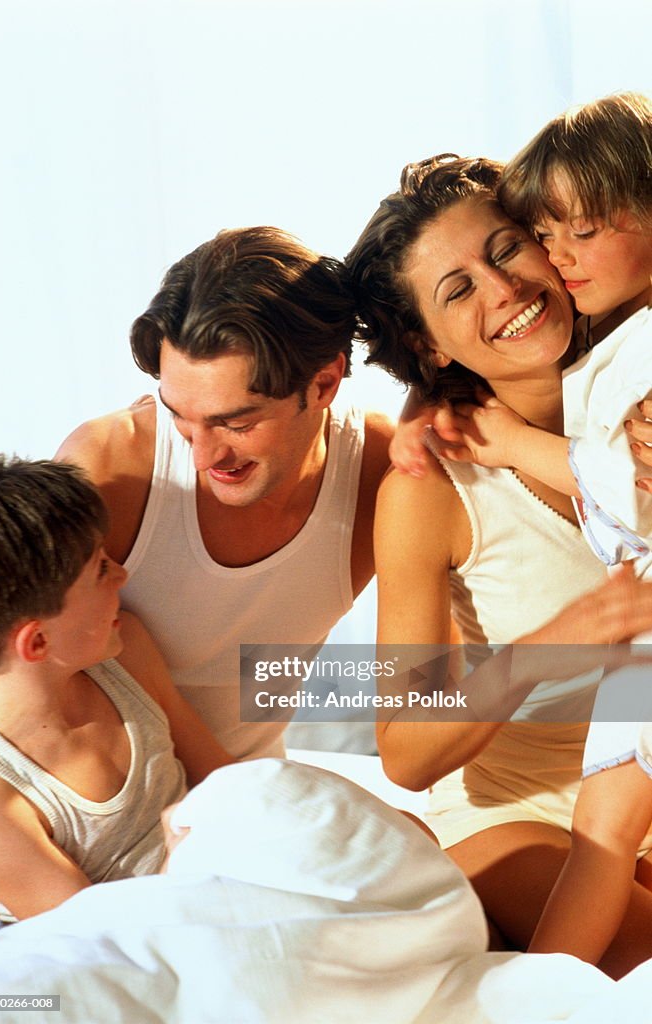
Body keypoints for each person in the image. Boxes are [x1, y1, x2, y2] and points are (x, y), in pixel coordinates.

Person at [344, 153, 652, 978]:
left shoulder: (637, 385)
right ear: (425, 346)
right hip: (518, 814)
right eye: (457, 291)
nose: (504, 289)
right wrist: (561, 639)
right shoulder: (431, 489)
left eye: (506, 248)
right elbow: (405, 750)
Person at [56, 226, 392, 761]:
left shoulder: (379, 469)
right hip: (99, 810)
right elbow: (0, 689)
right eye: (181, 419)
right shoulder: (108, 470)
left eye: (235, 423)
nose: (203, 457)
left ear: (325, 384)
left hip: (244, 798)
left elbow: (430, 681)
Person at [0, 455, 232, 939]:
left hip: (214, 894)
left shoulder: (125, 650)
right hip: (125, 960)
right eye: (101, 569)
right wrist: (184, 852)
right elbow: (97, 943)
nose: (123, 576)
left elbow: (225, 776)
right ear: (38, 643)